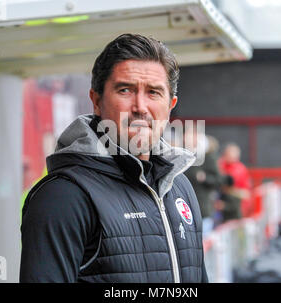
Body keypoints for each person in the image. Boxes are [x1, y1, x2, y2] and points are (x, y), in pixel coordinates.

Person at [20, 34, 208, 283]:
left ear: (170, 105)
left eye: (153, 92)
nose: (140, 106)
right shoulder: (63, 196)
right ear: (97, 101)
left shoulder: (180, 186)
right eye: (125, 90)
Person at [218, 143, 252, 217]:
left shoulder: (240, 169)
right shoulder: (220, 164)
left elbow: (246, 194)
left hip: (235, 207)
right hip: (220, 204)